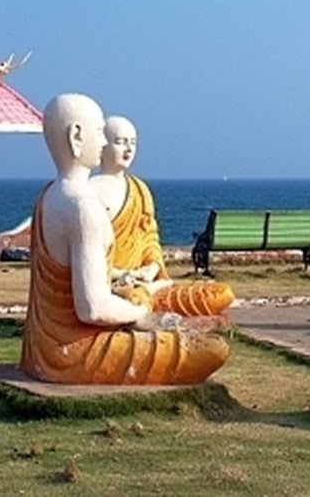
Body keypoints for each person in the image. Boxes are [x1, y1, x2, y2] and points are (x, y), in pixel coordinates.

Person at [19, 93, 229, 385]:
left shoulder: (47, 197)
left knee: (206, 304)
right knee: (212, 351)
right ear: (76, 136)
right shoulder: (84, 207)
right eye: (99, 133)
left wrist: (148, 274)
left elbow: (147, 239)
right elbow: (91, 307)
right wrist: (144, 316)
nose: (104, 142)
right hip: (74, 351)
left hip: (38, 350)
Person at [90, 115, 234, 316]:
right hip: (113, 283)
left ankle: (146, 300)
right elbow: (89, 256)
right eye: (121, 142)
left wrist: (152, 267)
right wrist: (122, 274)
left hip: (146, 281)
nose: (129, 149)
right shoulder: (90, 192)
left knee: (221, 293)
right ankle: (140, 307)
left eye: (133, 143)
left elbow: (149, 239)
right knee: (132, 299)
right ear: (102, 145)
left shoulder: (140, 189)